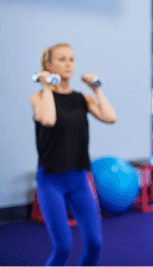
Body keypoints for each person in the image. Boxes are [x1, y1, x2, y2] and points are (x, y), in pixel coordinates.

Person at [30, 43, 117, 266]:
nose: (68, 64)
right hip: (51, 182)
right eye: (61, 59)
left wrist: (96, 89)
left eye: (71, 59)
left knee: (95, 243)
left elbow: (110, 117)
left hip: (79, 180)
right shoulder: (39, 97)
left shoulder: (82, 99)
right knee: (62, 248)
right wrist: (47, 85)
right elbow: (49, 119)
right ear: (48, 65)